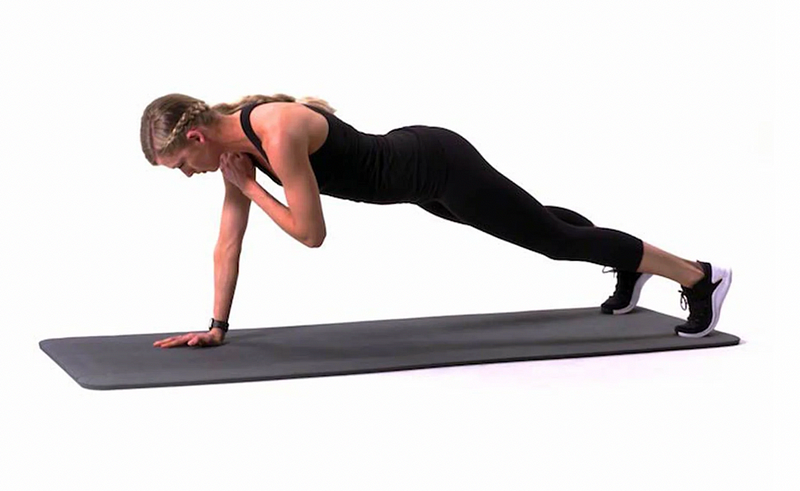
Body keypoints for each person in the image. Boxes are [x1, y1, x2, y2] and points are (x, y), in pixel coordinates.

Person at [140, 93, 732, 348]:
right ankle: (626, 261)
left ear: (194, 136)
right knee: (538, 222)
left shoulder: (275, 131)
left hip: (434, 165)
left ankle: (698, 276)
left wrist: (249, 187)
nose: (187, 173)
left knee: (550, 240)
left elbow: (311, 233)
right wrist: (216, 324)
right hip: (420, 182)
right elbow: (227, 244)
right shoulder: (235, 152)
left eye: (180, 163)